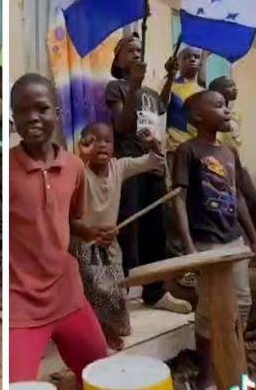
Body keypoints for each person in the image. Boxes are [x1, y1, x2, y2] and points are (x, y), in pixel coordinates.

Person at [9, 73, 107, 383]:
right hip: (21, 304)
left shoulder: (75, 167)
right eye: (22, 111)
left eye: (41, 108)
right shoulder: (7, 170)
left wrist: (89, 232)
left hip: (68, 295)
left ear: (58, 113)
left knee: (100, 376)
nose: (32, 118)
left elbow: (69, 220)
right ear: (13, 118)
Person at [171, 90, 256, 390]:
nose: (228, 111)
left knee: (242, 304)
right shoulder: (188, 151)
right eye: (220, 106)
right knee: (209, 311)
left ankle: (237, 370)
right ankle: (206, 373)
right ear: (198, 116)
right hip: (206, 245)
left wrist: (254, 240)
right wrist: (188, 246)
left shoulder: (229, 153)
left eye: (228, 106)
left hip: (234, 242)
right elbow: (179, 200)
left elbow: (238, 200)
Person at [70, 122, 181, 350]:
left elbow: (155, 160)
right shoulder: (79, 170)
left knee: (118, 287)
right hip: (85, 242)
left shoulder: (119, 167)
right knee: (96, 287)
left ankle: (110, 327)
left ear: (114, 146)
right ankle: (100, 331)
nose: (101, 145)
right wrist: (80, 158)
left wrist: (152, 142)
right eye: (93, 140)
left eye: (107, 140)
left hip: (110, 242)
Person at [105, 35, 189, 313]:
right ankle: (124, 292)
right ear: (117, 59)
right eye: (129, 50)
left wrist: (169, 76)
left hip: (153, 165)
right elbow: (121, 125)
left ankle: (155, 291)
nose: (136, 53)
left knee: (156, 228)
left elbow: (161, 108)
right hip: (129, 165)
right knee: (128, 226)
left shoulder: (149, 92)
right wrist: (135, 86)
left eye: (139, 49)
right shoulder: (115, 88)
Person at [210, 76, 256, 259]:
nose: (235, 89)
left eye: (234, 85)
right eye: (230, 86)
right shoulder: (211, 115)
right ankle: (245, 248)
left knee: (254, 202)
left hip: (238, 166)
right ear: (217, 90)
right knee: (232, 208)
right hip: (221, 170)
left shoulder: (236, 114)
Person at [162, 47, 207, 155]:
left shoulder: (204, 92)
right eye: (186, 57)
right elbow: (161, 107)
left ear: (200, 63)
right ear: (178, 62)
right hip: (177, 148)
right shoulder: (168, 85)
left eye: (196, 57)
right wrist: (170, 77)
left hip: (201, 149)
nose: (192, 59)